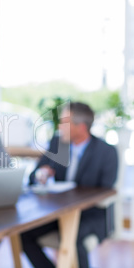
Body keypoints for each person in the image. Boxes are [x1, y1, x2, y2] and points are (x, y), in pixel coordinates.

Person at [21, 101, 118, 268]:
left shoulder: (106, 152)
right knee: (24, 234)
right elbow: (33, 176)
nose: (60, 126)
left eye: (64, 122)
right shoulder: (57, 143)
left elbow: (105, 189)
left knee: (73, 236)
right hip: (57, 212)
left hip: (90, 215)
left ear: (80, 127)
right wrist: (41, 174)